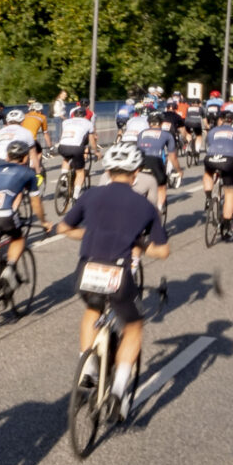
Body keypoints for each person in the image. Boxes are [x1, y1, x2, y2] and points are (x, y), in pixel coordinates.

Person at [53, 144, 169, 407]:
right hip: (118, 272)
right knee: (134, 326)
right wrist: (137, 244)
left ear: (107, 170)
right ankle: (118, 390)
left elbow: (64, 227)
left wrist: (91, 233)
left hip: (87, 269)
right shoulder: (145, 205)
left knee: (92, 311)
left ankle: (89, 369)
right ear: (136, 173)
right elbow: (163, 251)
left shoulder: (90, 195)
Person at [0, 137, 44, 305]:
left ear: (7, 156)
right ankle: (10, 268)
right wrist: (44, 222)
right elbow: (35, 202)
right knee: (18, 239)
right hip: (4, 213)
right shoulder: (28, 173)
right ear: (25, 158)